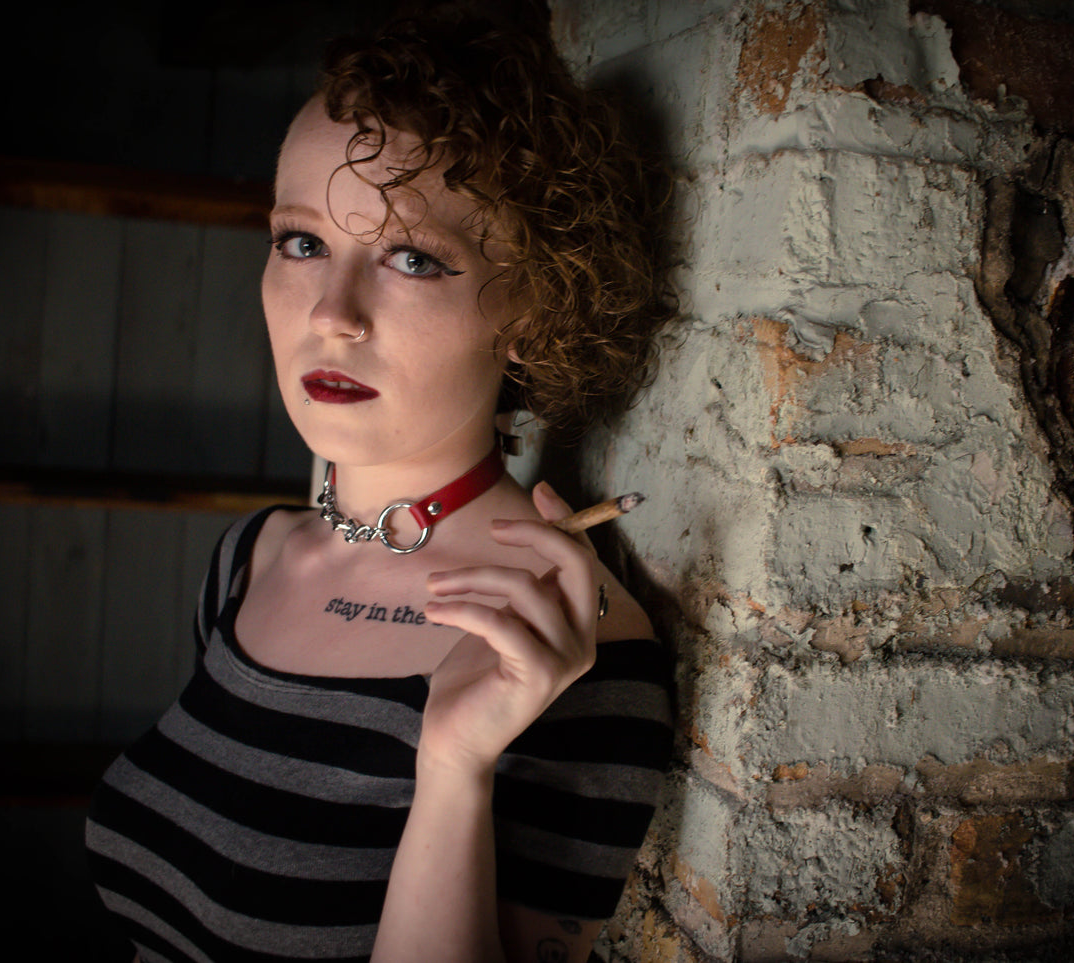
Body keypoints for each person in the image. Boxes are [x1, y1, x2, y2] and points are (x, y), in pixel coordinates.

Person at [85, 7, 677, 963]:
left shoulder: (562, 644)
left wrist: (453, 767)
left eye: (412, 258)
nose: (333, 314)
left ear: (533, 309)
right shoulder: (251, 556)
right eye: (301, 242)